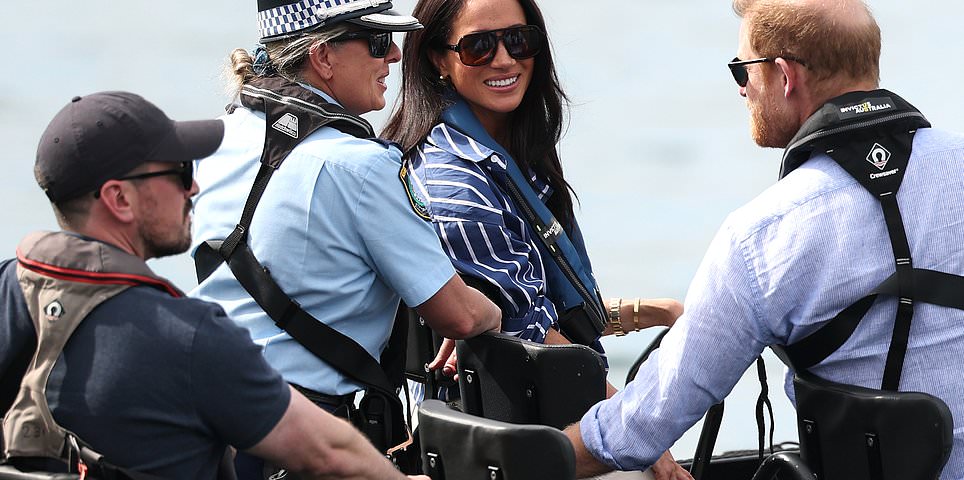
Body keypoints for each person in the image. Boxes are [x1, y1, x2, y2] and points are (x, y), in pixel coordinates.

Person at [564, 0, 964, 478]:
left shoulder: (763, 237)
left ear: (784, 75)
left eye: (742, 69)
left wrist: (513, 458)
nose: (741, 89)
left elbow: (640, 426)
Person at [0, 91, 428, 480]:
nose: (194, 187)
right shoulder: (187, 336)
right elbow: (330, 451)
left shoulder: (7, 287)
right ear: (120, 199)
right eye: (179, 172)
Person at [189, 0, 502, 476]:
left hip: (210, 430)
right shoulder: (360, 165)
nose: (394, 57)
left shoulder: (212, 141)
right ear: (323, 58)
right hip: (309, 443)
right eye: (377, 42)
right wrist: (494, 314)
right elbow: (458, 316)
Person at [382, 0, 687, 478]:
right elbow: (530, 340)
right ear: (438, 59)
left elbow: (540, 307)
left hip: (539, 408)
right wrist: (644, 435)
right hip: (500, 439)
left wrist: (651, 312)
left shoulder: (505, 156)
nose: (504, 59)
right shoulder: (453, 184)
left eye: (519, 40)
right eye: (479, 47)